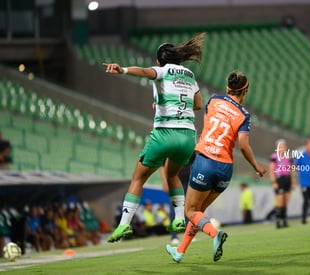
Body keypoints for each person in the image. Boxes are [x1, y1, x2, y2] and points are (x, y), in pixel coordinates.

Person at [104, 33, 205, 243]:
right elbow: (197, 105)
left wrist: (122, 69)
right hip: (187, 136)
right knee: (173, 175)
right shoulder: (189, 75)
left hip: (165, 133)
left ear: (159, 61)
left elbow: (143, 72)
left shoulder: (161, 71)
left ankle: (124, 224)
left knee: (138, 178)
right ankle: (179, 219)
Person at [166, 71, 266, 263]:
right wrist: (256, 166)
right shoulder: (244, 115)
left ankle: (215, 234)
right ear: (245, 91)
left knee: (190, 211)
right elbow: (243, 146)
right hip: (225, 169)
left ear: (228, 88)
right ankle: (180, 251)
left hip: (205, 160)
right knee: (198, 213)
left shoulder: (213, 100)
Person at [268, 139, 295, 228]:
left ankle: (284, 220)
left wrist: (293, 182)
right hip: (279, 179)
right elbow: (271, 170)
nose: (281, 148)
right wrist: (274, 182)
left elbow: (291, 170)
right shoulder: (274, 157)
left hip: (287, 179)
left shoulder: (288, 157)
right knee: (279, 201)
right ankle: (278, 221)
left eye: (283, 146)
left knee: (285, 201)